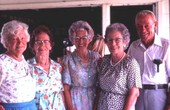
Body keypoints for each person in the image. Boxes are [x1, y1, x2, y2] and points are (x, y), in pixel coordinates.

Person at [128, 10, 170, 110]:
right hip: (137, 94)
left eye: (147, 25)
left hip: (158, 94)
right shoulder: (133, 47)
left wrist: (169, 104)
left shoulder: (166, 46)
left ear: (155, 25)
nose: (143, 30)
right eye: (139, 26)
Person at [96, 23, 142, 110]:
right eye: (110, 40)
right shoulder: (104, 61)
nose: (113, 43)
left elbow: (134, 93)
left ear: (124, 41)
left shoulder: (130, 63)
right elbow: (99, 88)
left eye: (117, 40)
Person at [62, 20, 100, 110]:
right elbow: (66, 88)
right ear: (73, 40)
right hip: (76, 101)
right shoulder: (68, 59)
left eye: (84, 38)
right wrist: (71, 108)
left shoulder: (96, 57)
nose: (80, 42)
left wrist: (96, 106)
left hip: (94, 99)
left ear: (89, 39)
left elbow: (100, 85)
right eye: (77, 38)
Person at [0, 20, 36, 110]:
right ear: (6, 42)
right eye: (14, 39)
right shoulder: (2, 62)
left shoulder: (23, 60)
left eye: (23, 38)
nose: (20, 42)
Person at [27, 25, 65, 110]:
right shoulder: (27, 66)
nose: (42, 45)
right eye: (38, 41)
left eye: (46, 41)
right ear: (33, 46)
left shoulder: (57, 67)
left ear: (51, 45)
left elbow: (61, 92)